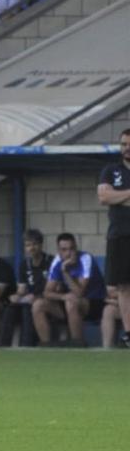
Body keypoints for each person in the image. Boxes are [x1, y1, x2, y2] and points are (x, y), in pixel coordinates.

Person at [32, 233, 105, 347]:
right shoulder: (57, 261)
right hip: (70, 304)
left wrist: (65, 272)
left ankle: (77, 343)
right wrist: (62, 296)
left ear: (76, 248)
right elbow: (46, 292)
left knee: (71, 301)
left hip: (94, 303)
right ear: (59, 251)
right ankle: (46, 345)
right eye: (64, 250)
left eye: (72, 249)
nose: (68, 253)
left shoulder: (86, 258)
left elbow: (79, 292)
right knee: (38, 305)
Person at [96, 128, 130, 347]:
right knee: (124, 286)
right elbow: (104, 196)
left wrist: (119, 196)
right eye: (124, 144)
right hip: (119, 236)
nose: (127, 148)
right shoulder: (111, 170)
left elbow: (112, 196)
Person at [1, 228, 52, 347]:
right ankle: (2, 346)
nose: (31, 248)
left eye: (34, 244)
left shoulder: (50, 261)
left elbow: (55, 288)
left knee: (27, 308)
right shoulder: (24, 264)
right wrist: (16, 296)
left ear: (41, 244)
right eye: (28, 245)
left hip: (48, 301)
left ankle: (27, 346)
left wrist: (36, 297)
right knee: (10, 308)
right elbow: (21, 290)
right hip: (30, 300)